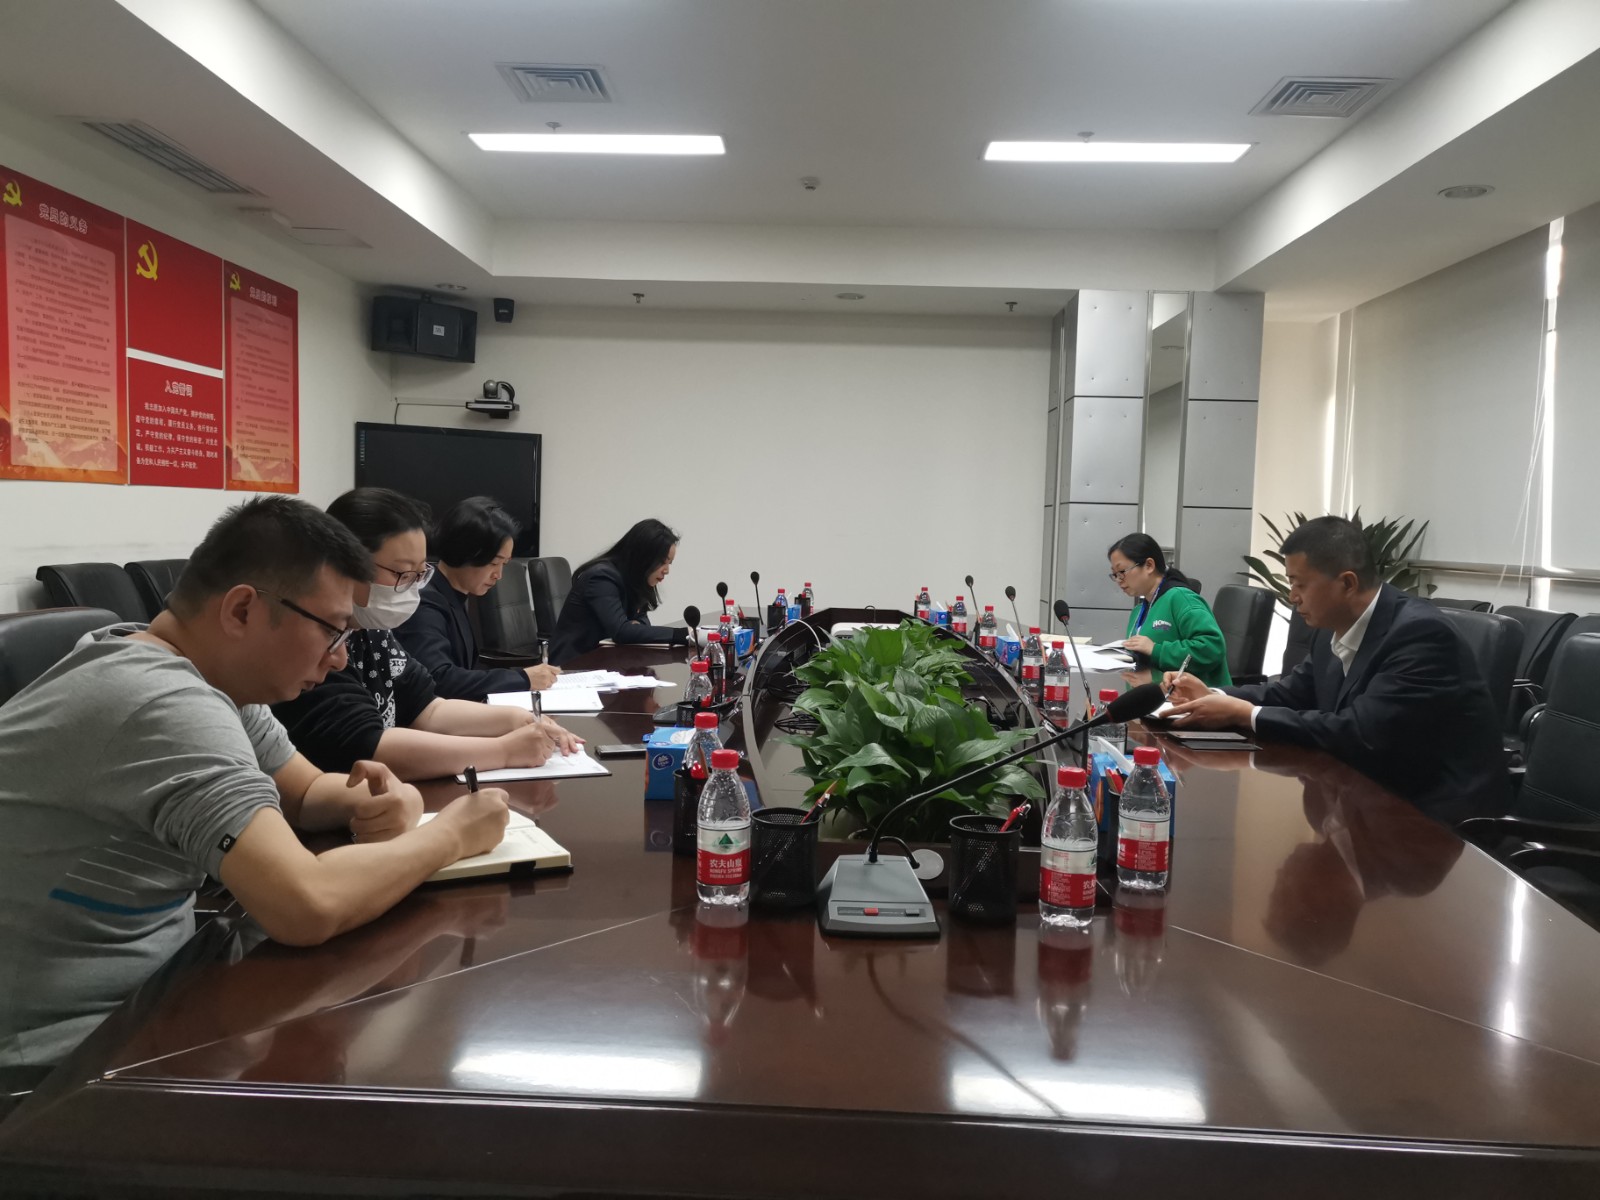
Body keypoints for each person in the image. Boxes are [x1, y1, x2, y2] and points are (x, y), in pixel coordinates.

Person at [0, 497, 512, 1068]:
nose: (341, 660)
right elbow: (306, 904)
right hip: (61, 1062)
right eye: (332, 631)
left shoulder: (196, 670)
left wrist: (385, 798)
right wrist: (451, 835)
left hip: (162, 991)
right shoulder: (160, 702)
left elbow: (307, 793)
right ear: (242, 610)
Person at [1163, 515, 1510, 823]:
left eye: (1300, 584)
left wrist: (1244, 714)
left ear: (1347, 583)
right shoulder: (1334, 629)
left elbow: (1361, 733)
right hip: (1363, 796)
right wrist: (1214, 695)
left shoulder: (1420, 635)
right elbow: (1292, 694)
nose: (1292, 596)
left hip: (1432, 818)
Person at [272, 489, 580, 781]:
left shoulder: (373, 630)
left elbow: (429, 708)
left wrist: (516, 718)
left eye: (420, 574)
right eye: (402, 573)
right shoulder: (314, 641)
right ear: (344, 564)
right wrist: (503, 751)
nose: (413, 588)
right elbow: (368, 745)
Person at [397, 496, 560, 702]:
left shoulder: (452, 594)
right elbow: (438, 678)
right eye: (493, 563)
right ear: (464, 552)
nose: (498, 575)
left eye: (504, 564)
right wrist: (522, 678)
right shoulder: (425, 602)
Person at [548, 518, 690, 665]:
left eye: (669, 563)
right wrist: (682, 635)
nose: (666, 570)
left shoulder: (634, 580)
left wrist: (632, 628)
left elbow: (642, 624)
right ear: (643, 556)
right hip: (572, 666)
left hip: (605, 661)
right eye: (662, 562)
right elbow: (622, 632)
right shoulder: (601, 577)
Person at [1107, 533, 1231, 687]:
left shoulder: (1181, 598)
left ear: (1149, 565)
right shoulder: (1139, 610)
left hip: (1192, 699)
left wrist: (1156, 651)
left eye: (1122, 571)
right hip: (1150, 698)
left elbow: (1211, 648)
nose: (1119, 580)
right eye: (1115, 574)